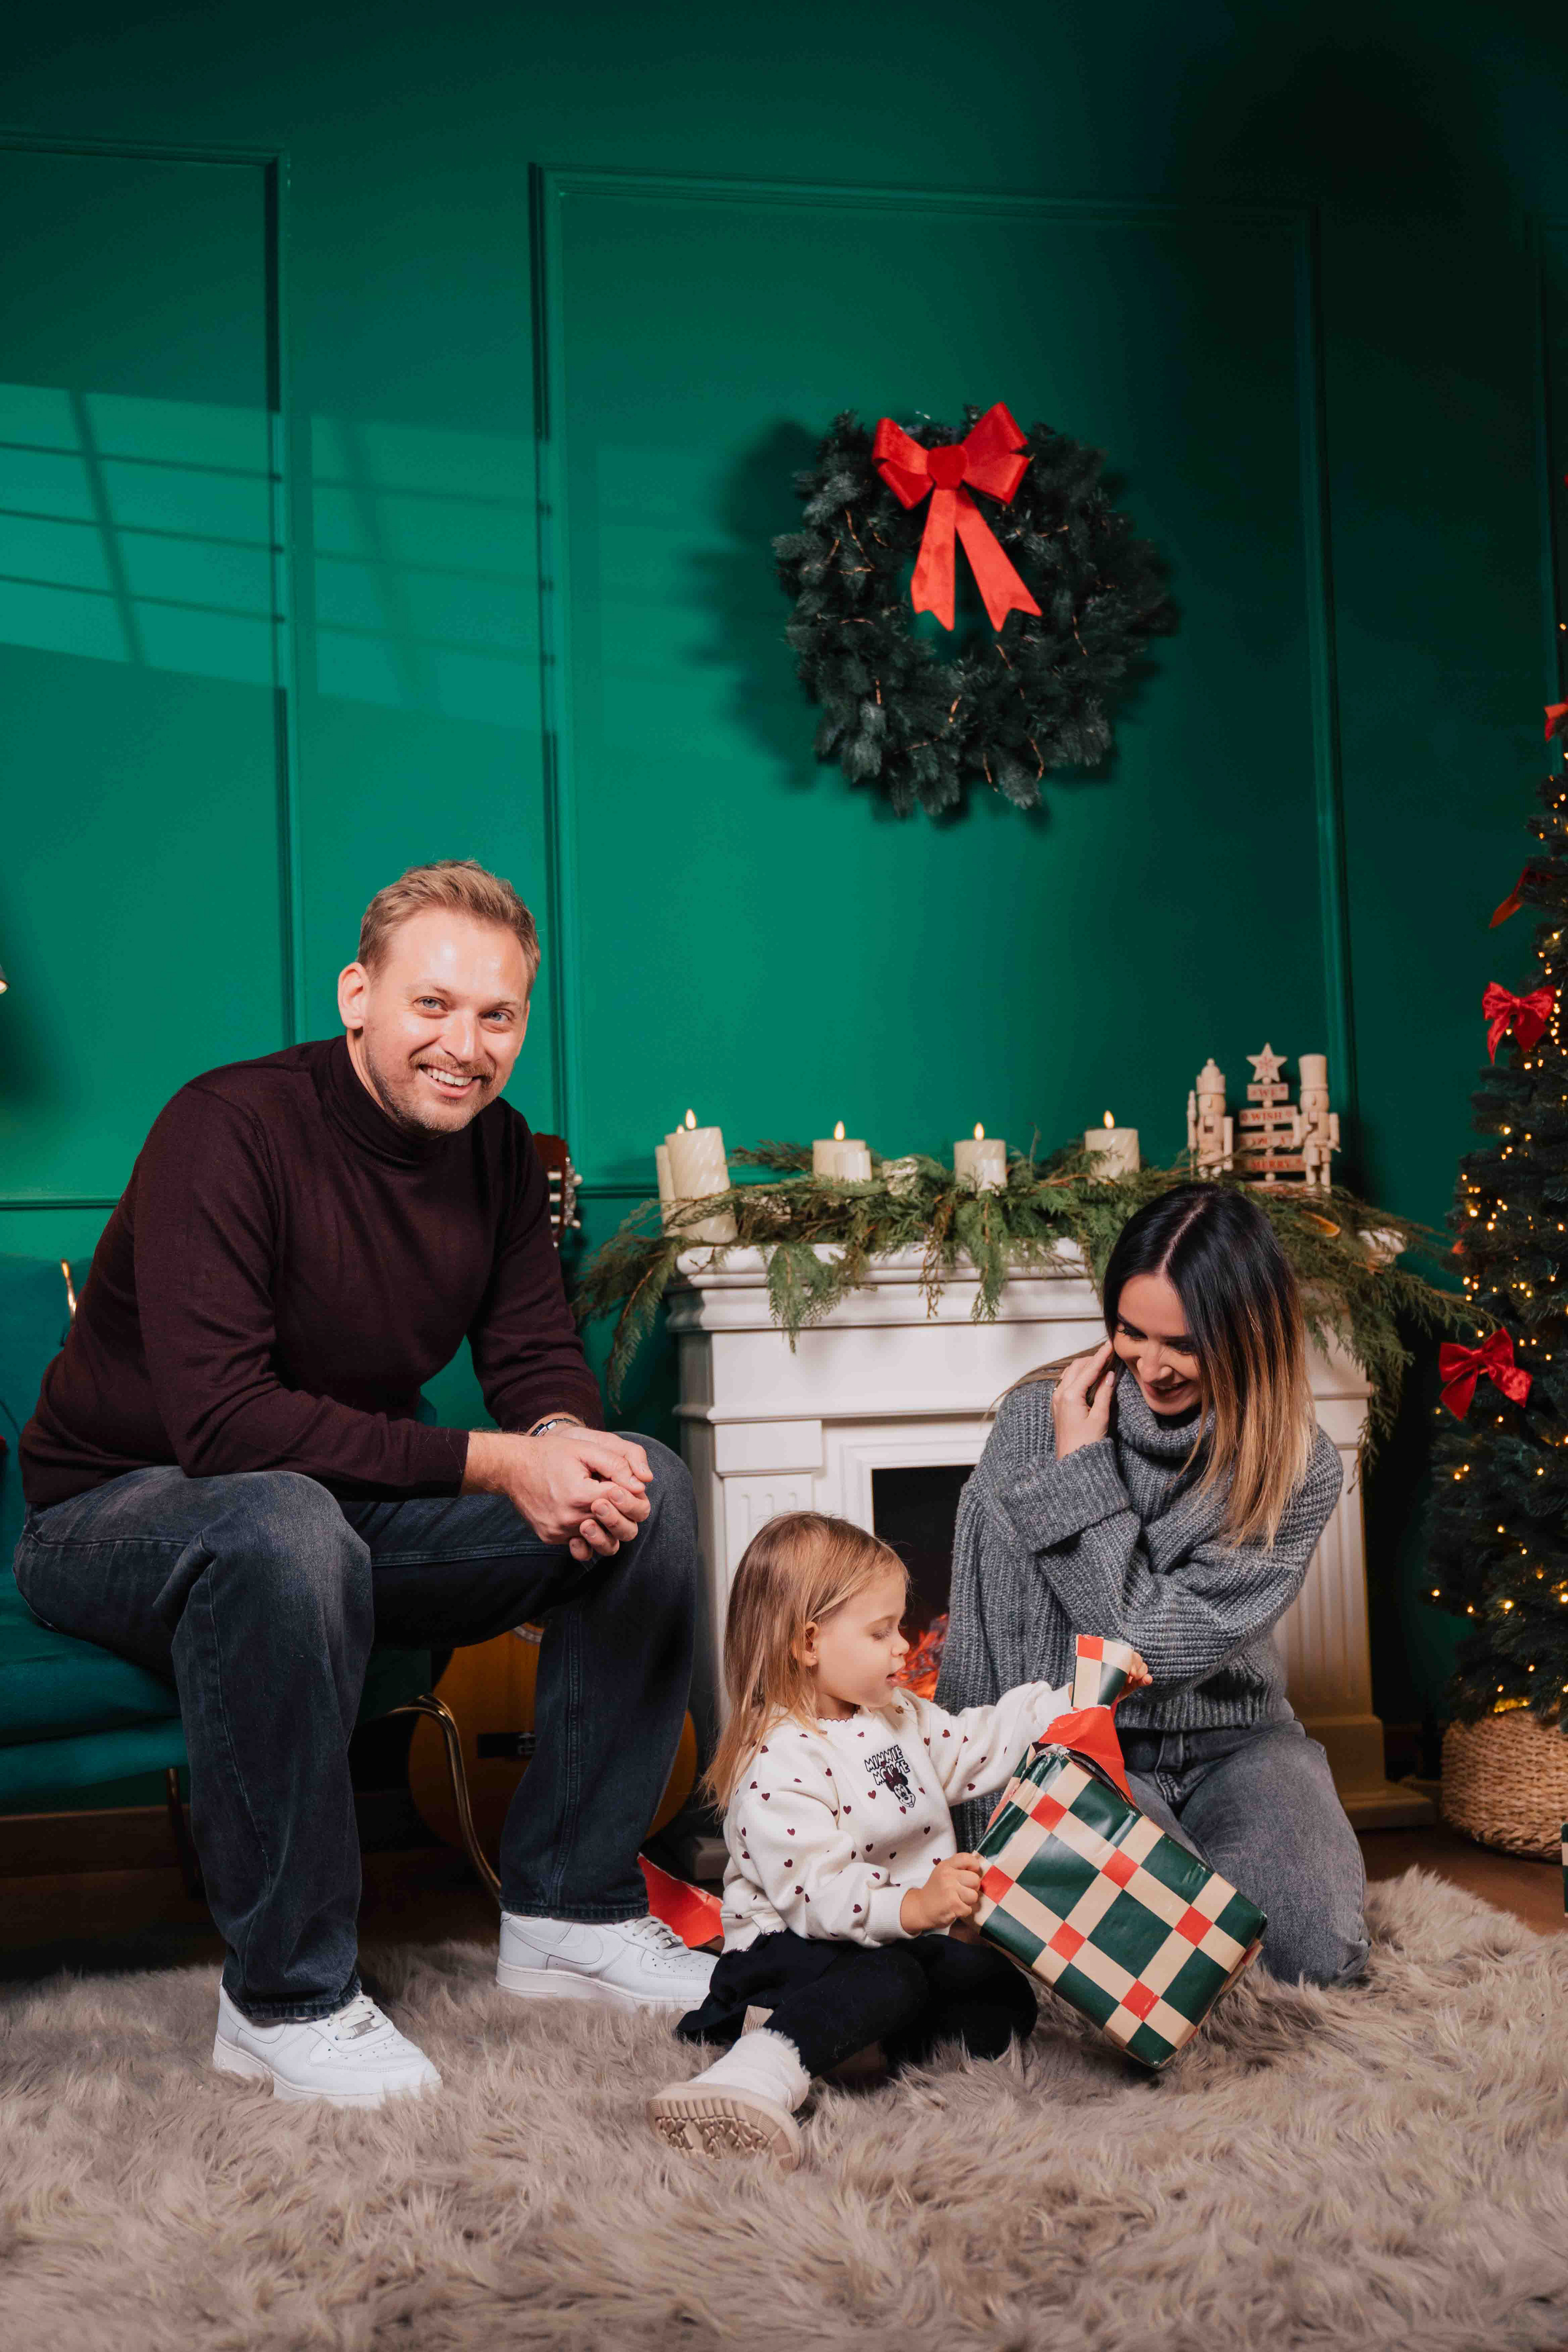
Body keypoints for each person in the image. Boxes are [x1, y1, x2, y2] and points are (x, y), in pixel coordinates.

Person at [13, 858, 715, 2106]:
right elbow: (226, 1424)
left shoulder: (501, 1156)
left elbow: (533, 1354)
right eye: (431, 1005)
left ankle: (573, 1910)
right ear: (358, 996)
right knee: (285, 1524)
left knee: (645, 1486)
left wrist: (564, 1439)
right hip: (112, 1512)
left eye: (497, 1016)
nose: (465, 1046)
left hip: (331, 1515)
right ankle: (284, 1999)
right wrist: (501, 1462)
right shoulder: (226, 1128)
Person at [936, 1182, 1369, 1991]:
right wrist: (984, 1829)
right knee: (1162, 1961)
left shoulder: (1294, 1462)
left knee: (1313, 1957)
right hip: (1080, 1747)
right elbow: (983, 1647)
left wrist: (1081, 1478)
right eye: (1131, 1331)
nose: (1152, 1366)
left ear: (1247, 1336)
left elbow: (1148, 1649)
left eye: (1184, 1344)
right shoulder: (1036, 1421)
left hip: (1236, 1744)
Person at [648, 1511, 1151, 2167]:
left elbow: (976, 1744)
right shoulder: (779, 1759)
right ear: (809, 1643)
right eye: (880, 1631)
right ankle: (757, 2071)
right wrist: (916, 1906)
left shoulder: (898, 1715)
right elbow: (819, 1897)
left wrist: (1075, 1702)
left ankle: (855, 2042)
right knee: (894, 1979)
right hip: (794, 1949)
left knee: (1001, 1999)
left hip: (896, 1939)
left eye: (900, 1627)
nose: (902, 1647)